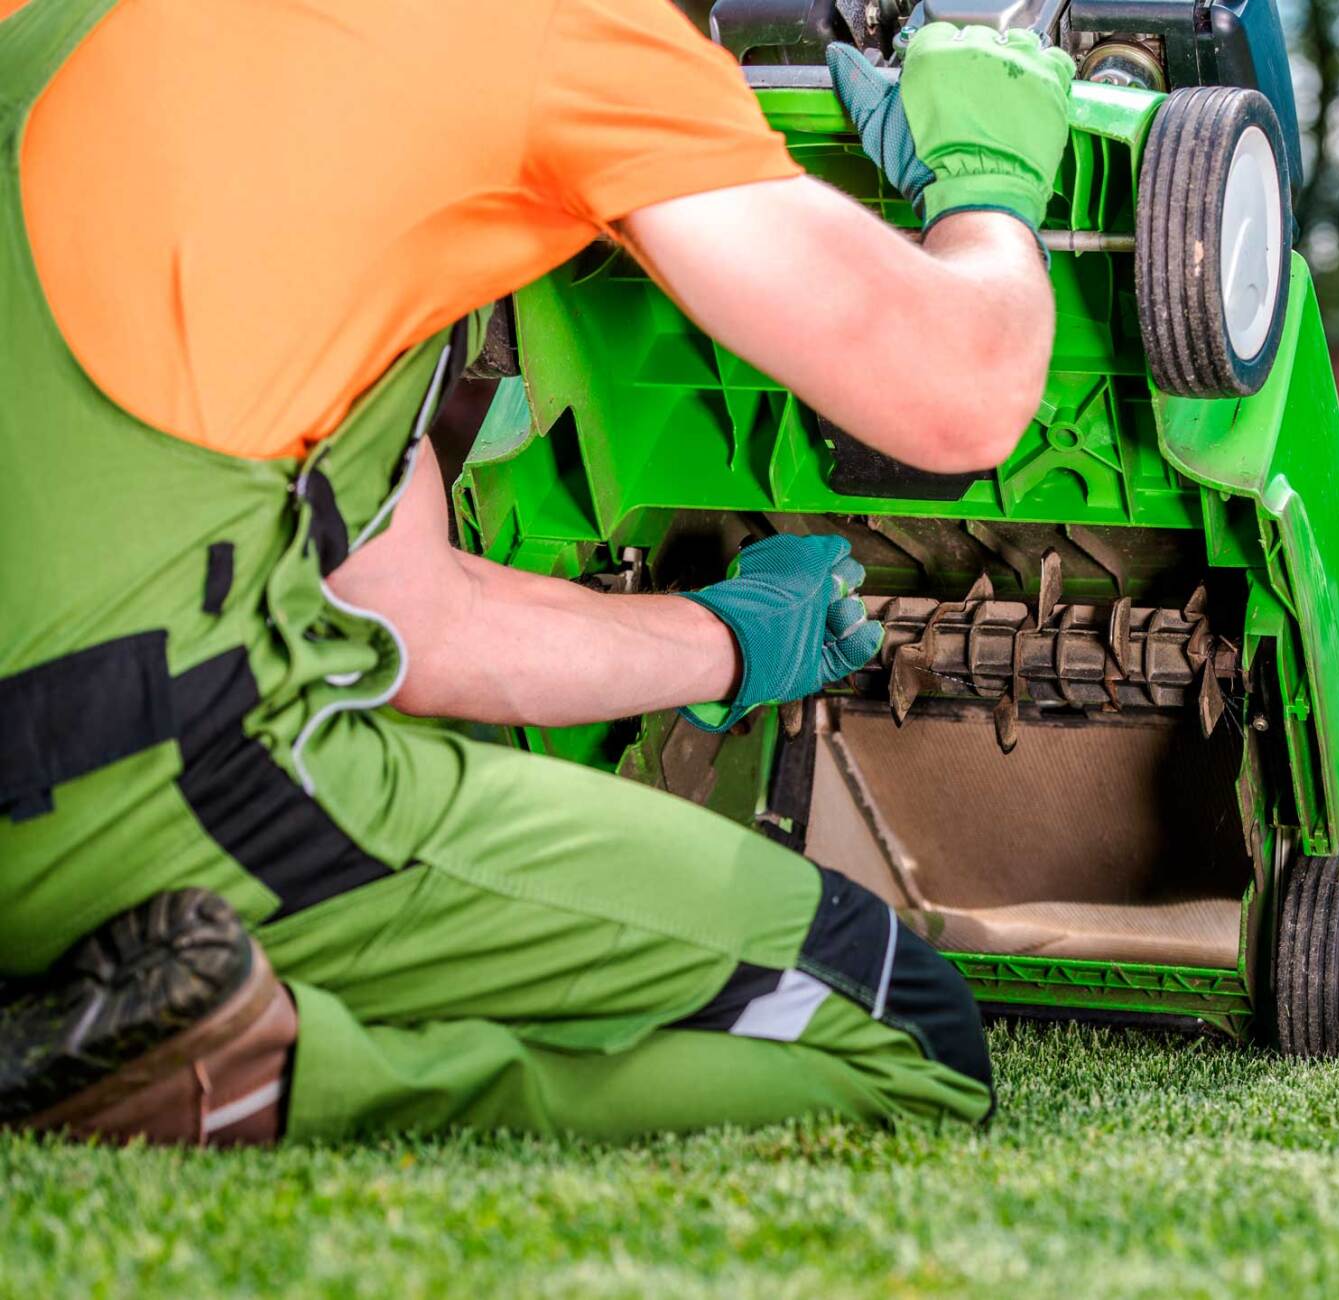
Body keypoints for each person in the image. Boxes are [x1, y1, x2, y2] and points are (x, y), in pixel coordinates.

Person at [0, 0, 1075, 1145]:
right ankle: (280, 1077)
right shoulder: (554, 31)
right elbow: (965, 389)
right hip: (130, 793)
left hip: (85, 736)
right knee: (908, 1033)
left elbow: (404, 611)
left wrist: (731, 634)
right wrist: (988, 185)